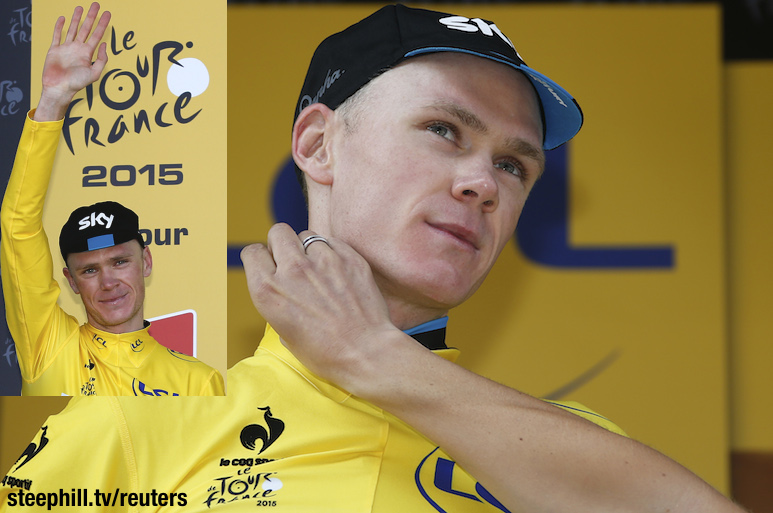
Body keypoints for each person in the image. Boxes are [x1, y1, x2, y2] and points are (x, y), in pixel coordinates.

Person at [0, 4, 743, 511]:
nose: (483, 183)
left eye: (513, 165)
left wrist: (375, 359)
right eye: (444, 129)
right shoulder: (130, 424)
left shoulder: (572, 446)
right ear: (318, 144)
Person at [0, 3, 224, 396]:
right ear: (70, 281)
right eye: (89, 270)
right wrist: (53, 101)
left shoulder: (200, 382)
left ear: (146, 261)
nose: (108, 283)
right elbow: (18, 226)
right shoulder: (49, 347)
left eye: (120, 261)